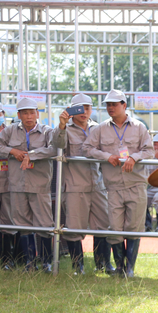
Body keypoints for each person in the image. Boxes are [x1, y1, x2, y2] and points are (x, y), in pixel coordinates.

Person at [83, 90, 154, 278]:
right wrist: (106, 156)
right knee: (114, 228)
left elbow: (149, 151)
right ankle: (120, 267)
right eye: (108, 104)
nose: (110, 108)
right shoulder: (100, 129)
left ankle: (129, 268)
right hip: (113, 186)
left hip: (136, 185)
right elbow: (87, 148)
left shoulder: (139, 127)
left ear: (124, 105)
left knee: (134, 227)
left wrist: (134, 157)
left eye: (114, 104)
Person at [0, 97, 59, 272]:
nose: (29, 116)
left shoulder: (46, 131)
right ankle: (29, 263)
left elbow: (53, 148)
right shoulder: (11, 131)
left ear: (37, 113)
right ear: (19, 115)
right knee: (22, 224)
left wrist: (31, 154)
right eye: (25, 113)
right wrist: (11, 151)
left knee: (44, 224)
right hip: (17, 185)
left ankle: (46, 262)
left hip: (39, 185)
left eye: (32, 112)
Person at [53, 93, 114, 275]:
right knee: (73, 227)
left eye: (87, 108)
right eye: (79, 108)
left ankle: (103, 263)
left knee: (104, 225)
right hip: (74, 185)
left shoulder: (99, 128)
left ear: (92, 109)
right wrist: (62, 125)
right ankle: (77, 266)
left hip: (97, 185)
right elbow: (57, 145)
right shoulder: (65, 128)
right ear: (71, 110)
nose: (83, 112)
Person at [0, 100, 16, 269]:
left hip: (10, 184)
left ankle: (8, 260)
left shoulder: (13, 132)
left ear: (3, 115)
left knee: (8, 222)